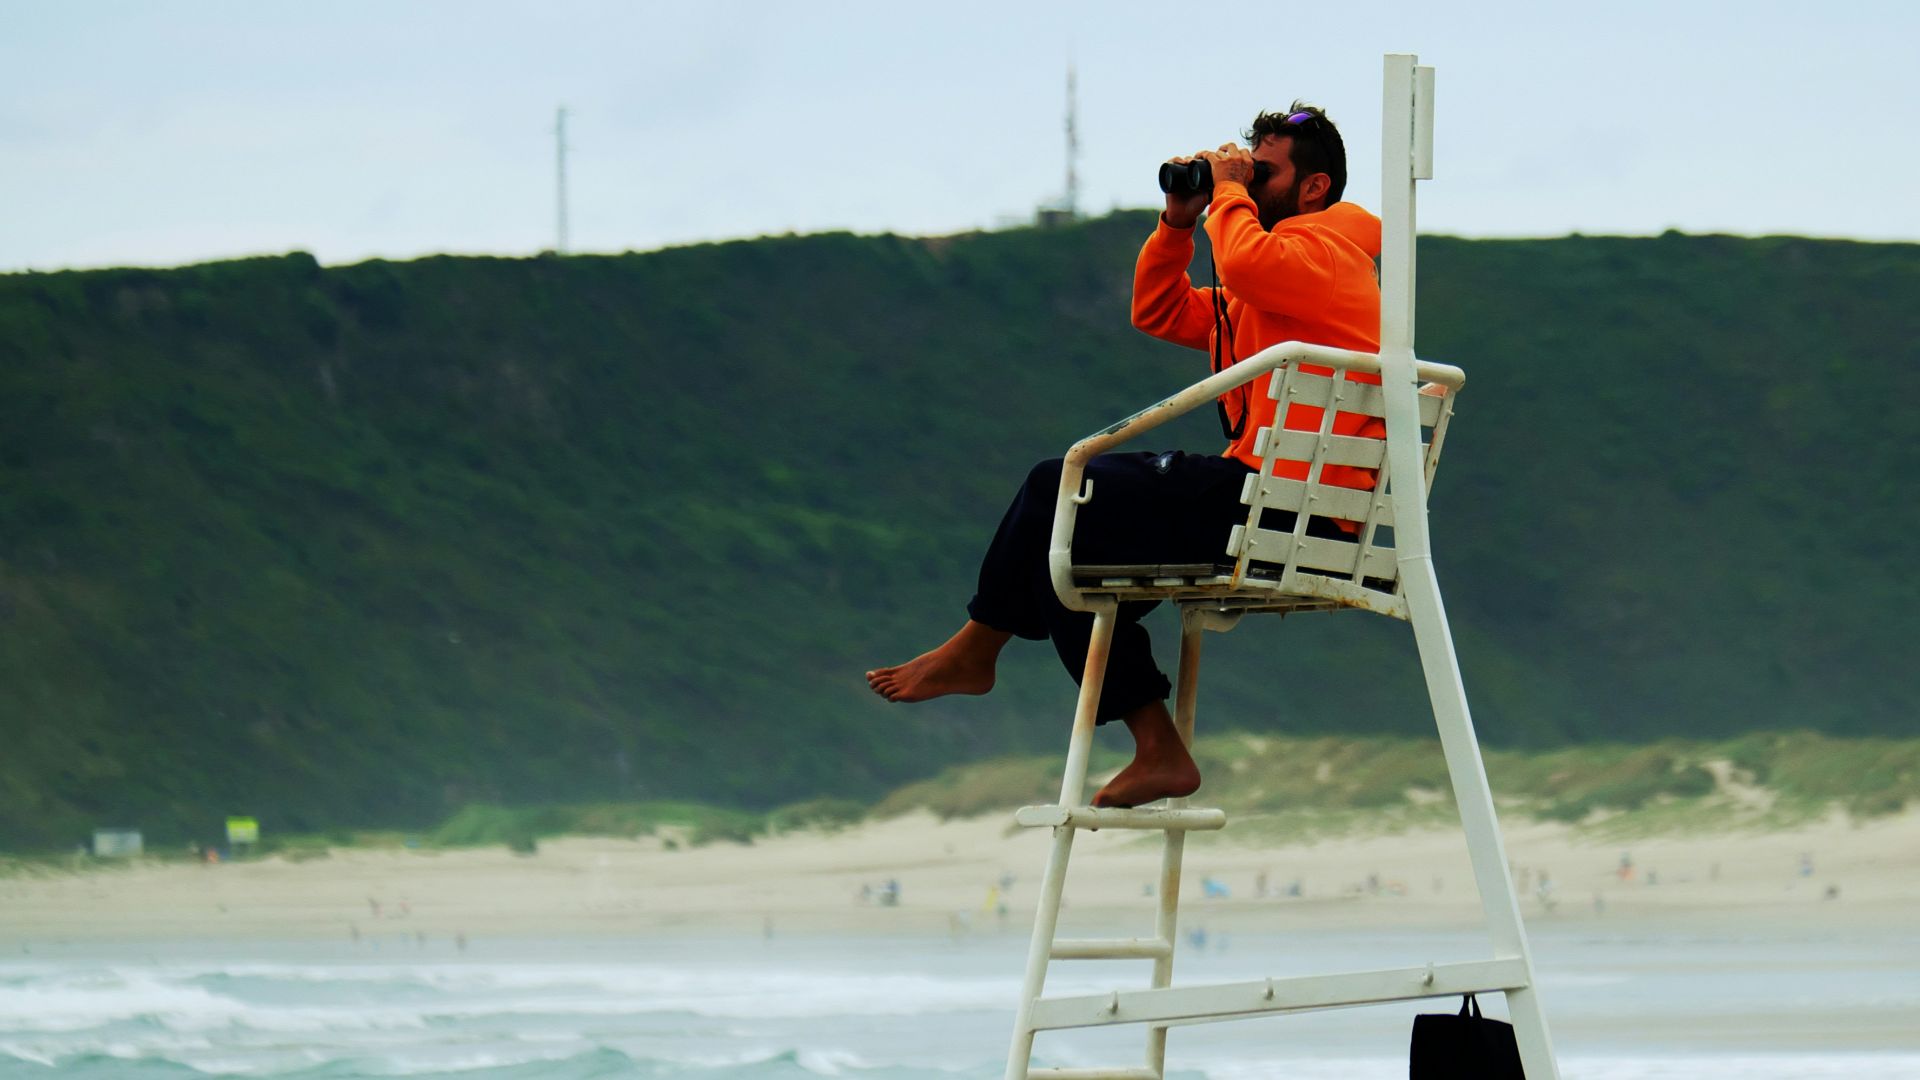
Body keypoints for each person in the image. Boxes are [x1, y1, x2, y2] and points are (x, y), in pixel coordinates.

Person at [867, 104, 1383, 808]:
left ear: (1314, 187)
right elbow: (1159, 312)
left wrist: (1225, 194)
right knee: (1064, 561)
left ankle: (977, 648)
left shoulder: (1330, 257)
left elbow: (1245, 263)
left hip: (1288, 503)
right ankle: (1157, 748)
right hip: (1265, 497)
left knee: (1060, 484)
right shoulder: (1271, 283)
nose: (1242, 178)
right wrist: (1178, 219)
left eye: (1261, 172)